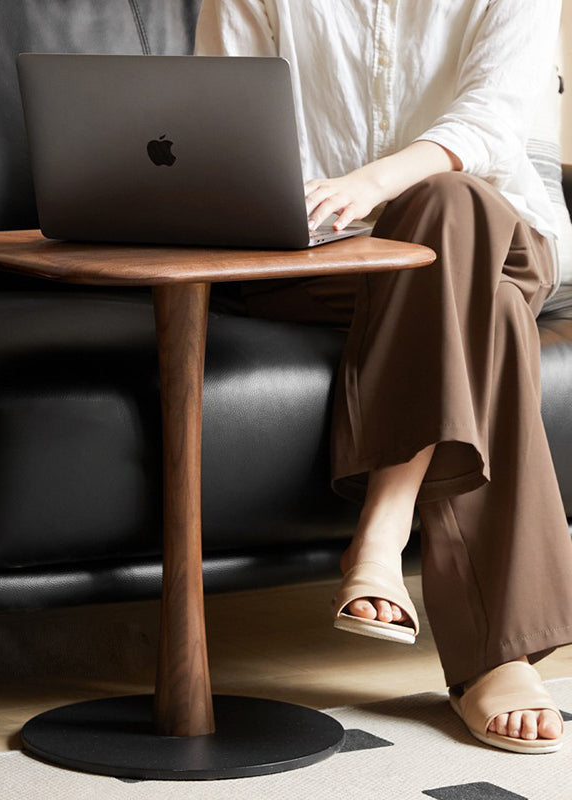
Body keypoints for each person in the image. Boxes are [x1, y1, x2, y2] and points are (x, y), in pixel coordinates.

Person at [196, 0, 572, 753]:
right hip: (316, 258)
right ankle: (496, 659)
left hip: (500, 234)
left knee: (448, 202)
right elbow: (227, 123)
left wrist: (373, 185)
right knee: (488, 315)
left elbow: (492, 121)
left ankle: (382, 526)